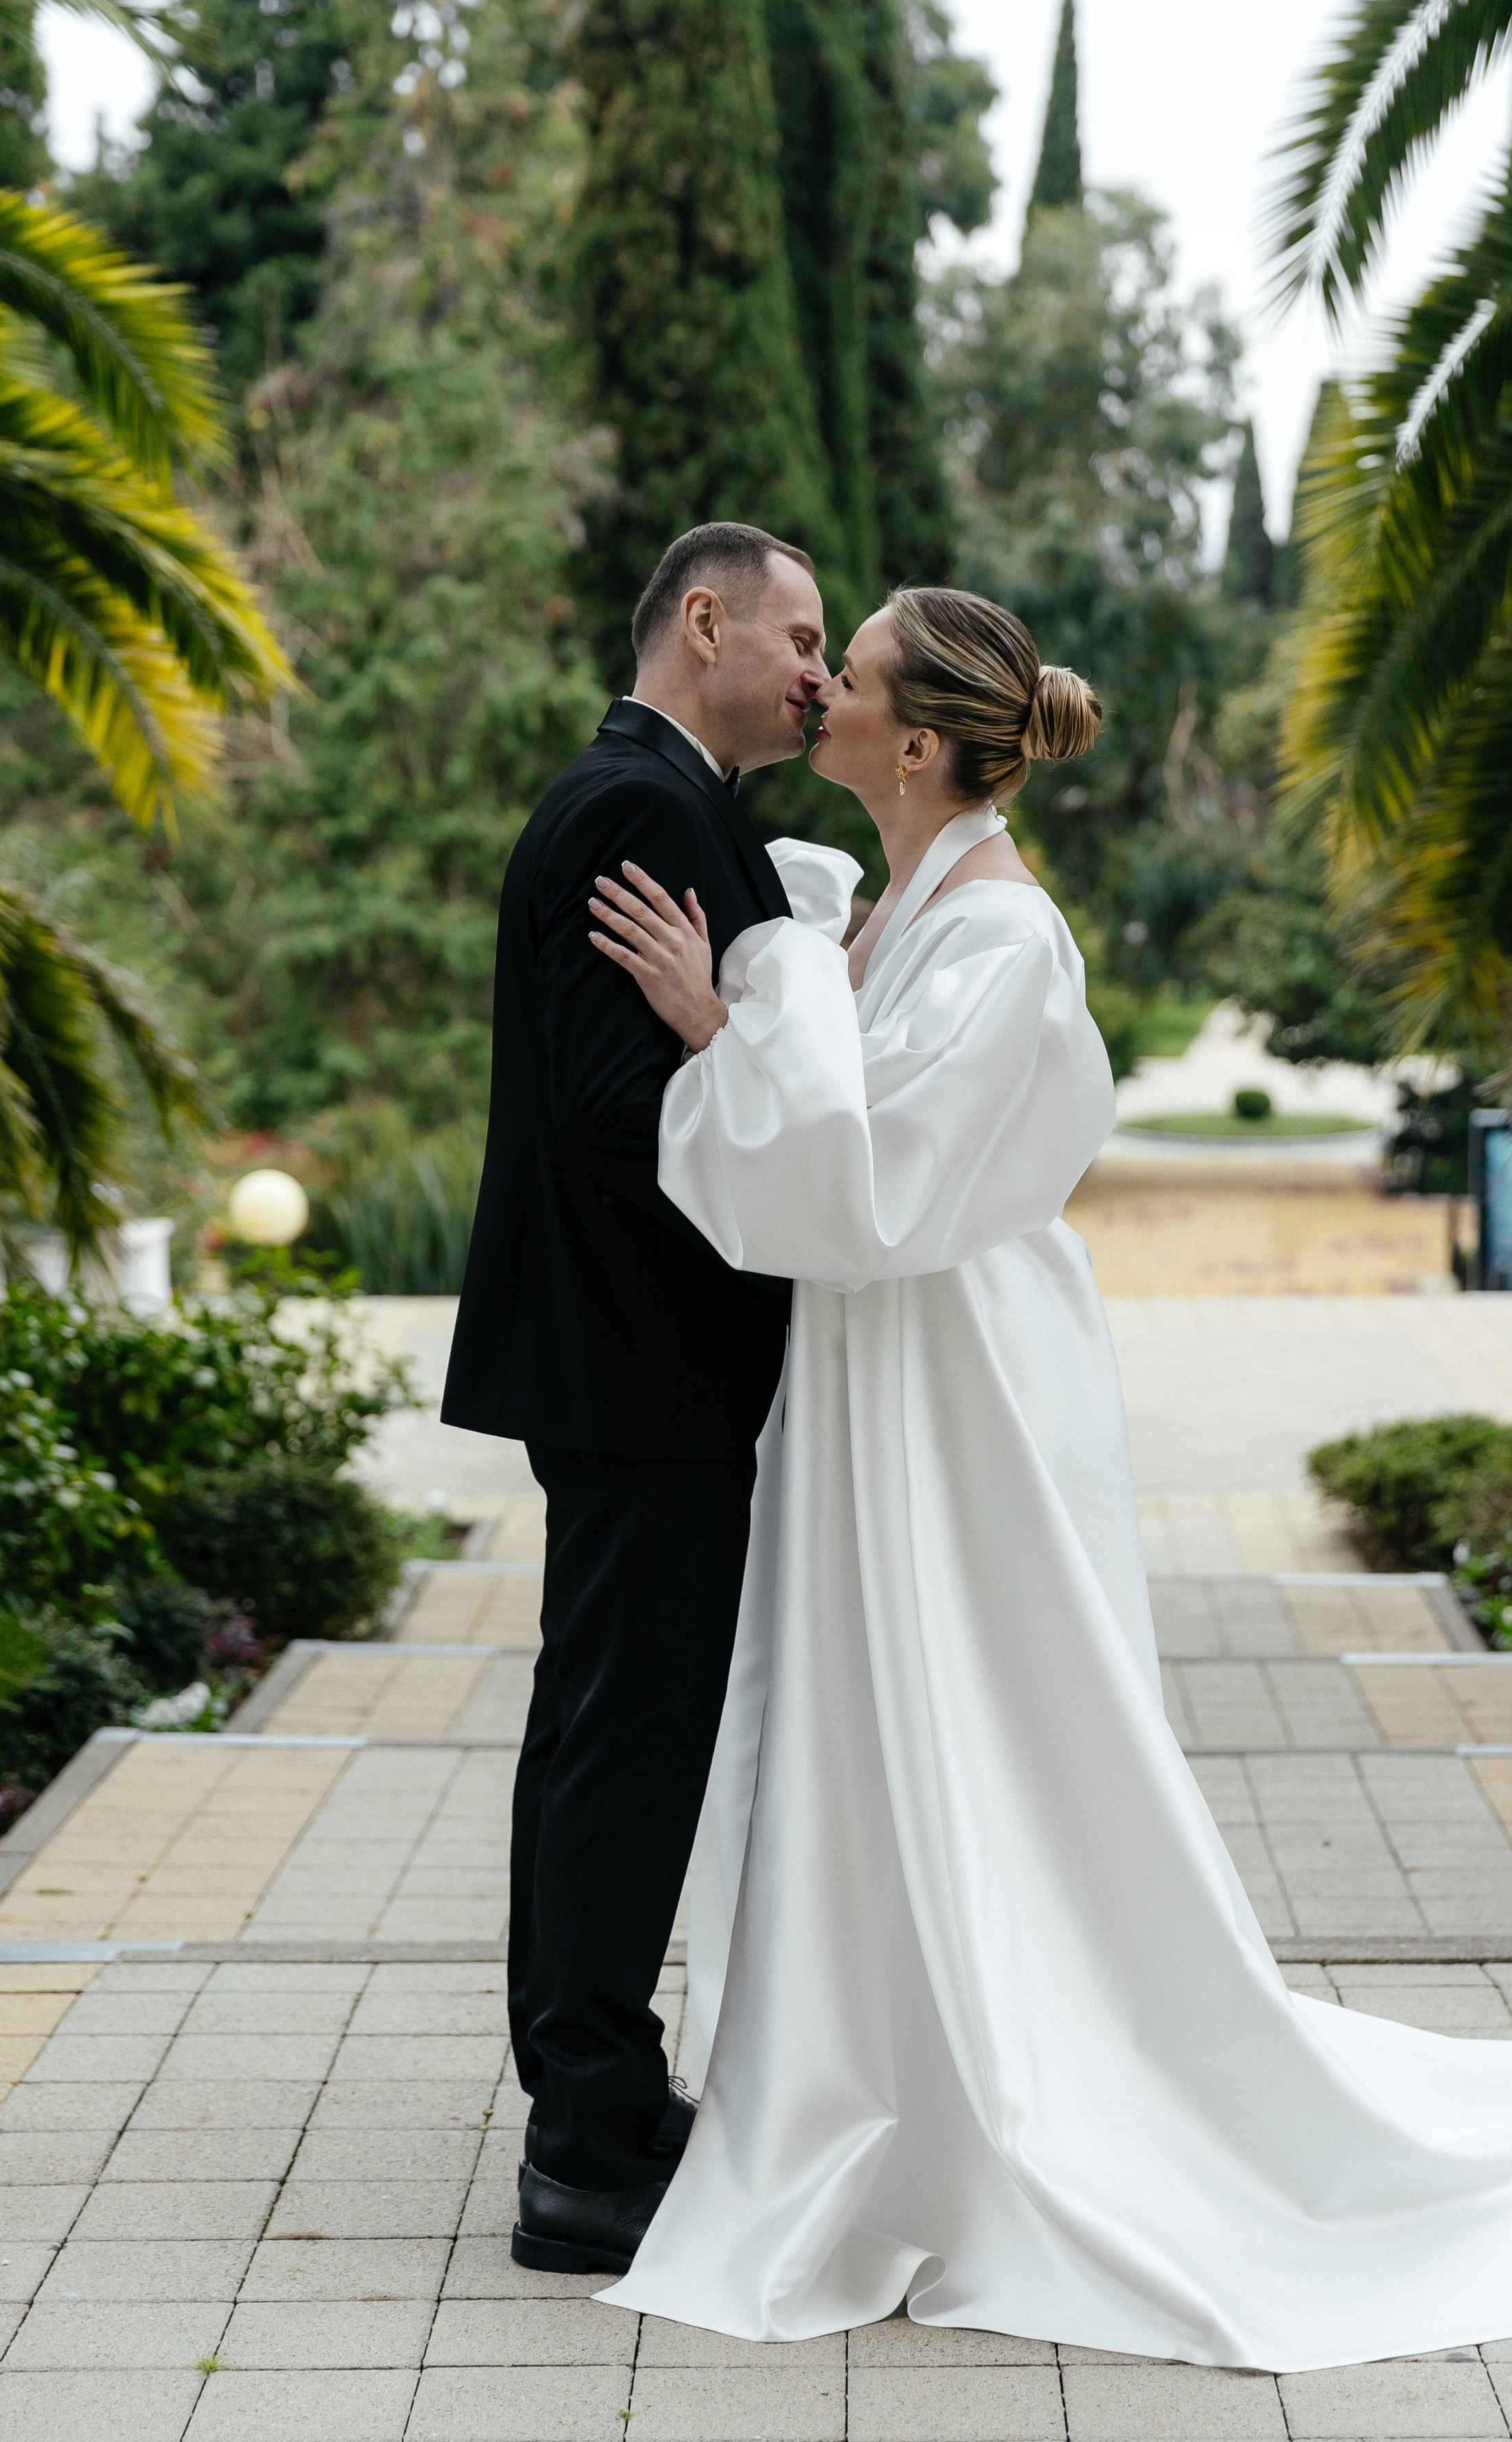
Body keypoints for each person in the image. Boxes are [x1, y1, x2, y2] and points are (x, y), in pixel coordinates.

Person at [581, 583, 1512, 2368]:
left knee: (978, 1707)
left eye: (855, 665)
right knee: (883, 1717)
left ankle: (990, 2074)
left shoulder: (999, 942)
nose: (816, 683)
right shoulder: (903, 901)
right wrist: (773, 1000)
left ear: (914, 743)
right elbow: (838, 1159)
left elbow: (874, 1188)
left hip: (954, 1386)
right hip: (884, 1371)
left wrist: (727, 1015)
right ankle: (880, 2047)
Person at [441, 521, 835, 2275]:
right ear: (705, 621)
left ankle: (592, 2096)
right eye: (800, 636)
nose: (818, 673)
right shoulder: (640, 811)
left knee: (605, 1731)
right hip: (639, 1364)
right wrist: (734, 1044)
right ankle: (589, 2143)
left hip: (624, 1365)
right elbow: (619, 1110)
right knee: (621, 1742)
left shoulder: (669, 803)